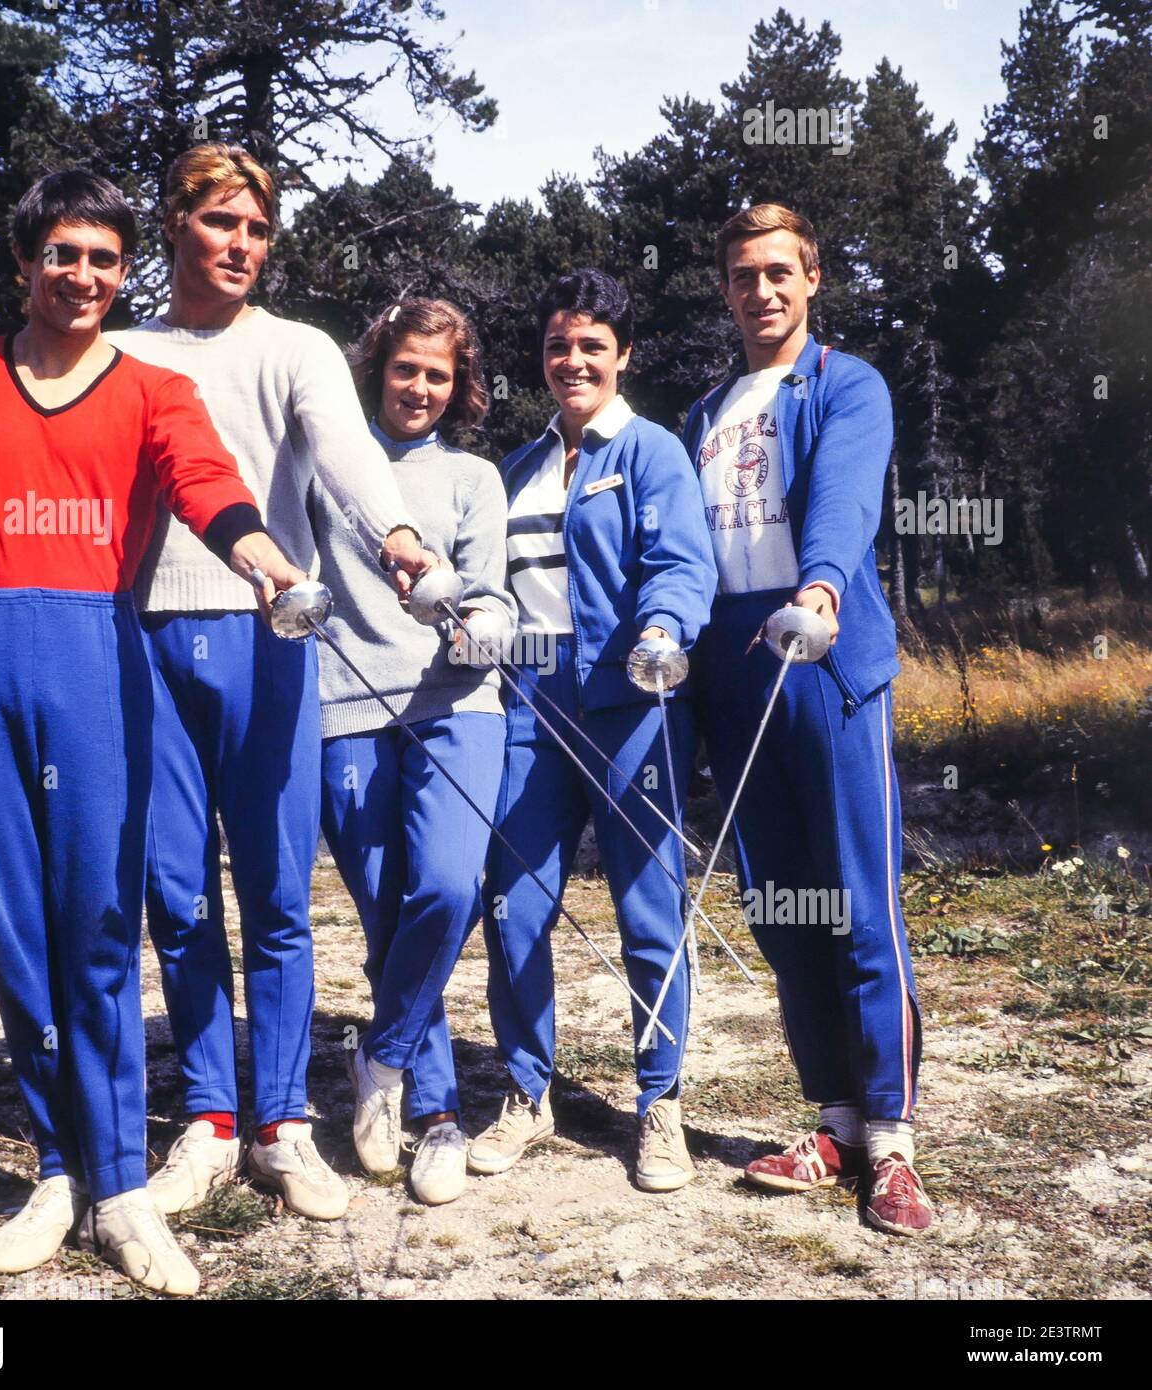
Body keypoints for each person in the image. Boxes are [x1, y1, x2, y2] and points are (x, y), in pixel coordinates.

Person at [0, 170, 305, 1294]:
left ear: (129, 272)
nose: (83, 277)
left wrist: (261, 559)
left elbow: (208, 484)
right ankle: (60, 1165)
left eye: (105, 260)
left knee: (99, 923)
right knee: (17, 926)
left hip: (93, 653)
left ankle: (121, 1185)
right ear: (25, 259)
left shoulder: (153, 388)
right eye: (63, 254)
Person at [105, 144, 439, 1222]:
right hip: (147, 636)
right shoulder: (115, 349)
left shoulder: (296, 349)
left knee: (278, 894)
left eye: (256, 229)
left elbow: (347, 455)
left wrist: (396, 536)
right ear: (172, 225)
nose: (240, 245)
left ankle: (283, 1119)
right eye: (219, 223)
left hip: (272, 633)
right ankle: (207, 1118)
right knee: (175, 890)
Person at [683, 203, 933, 1237]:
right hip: (734, 669)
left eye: (780, 272)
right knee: (784, 910)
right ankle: (829, 1122)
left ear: (813, 278)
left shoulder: (846, 383)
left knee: (862, 909)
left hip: (822, 655)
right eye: (744, 275)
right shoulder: (702, 410)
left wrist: (824, 588)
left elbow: (839, 497)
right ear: (727, 288)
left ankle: (891, 1143)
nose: (762, 292)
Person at [471, 269, 716, 1193]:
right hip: (531, 708)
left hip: (631, 702)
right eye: (558, 346)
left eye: (592, 347)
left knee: (647, 910)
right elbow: (491, 580)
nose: (572, 361)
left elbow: (680, 564)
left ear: (622, 357)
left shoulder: (650, 451)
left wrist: (663, 632)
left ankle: (660, 1103)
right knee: (516, 905)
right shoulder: (518, 467)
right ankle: (526, 1092)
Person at [313, 298, 515, 1205]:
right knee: (389, 912)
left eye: (439, 374)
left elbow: (495, 595)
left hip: (458, 704)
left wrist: (483, 628)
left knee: (446, 886)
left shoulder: (474, 476)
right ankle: (437, 1118)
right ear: (378, 369)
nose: (421, 388)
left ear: (458, 384)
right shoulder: (327, 468)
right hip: (346, 709)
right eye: (406, 369)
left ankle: (383, 1062)